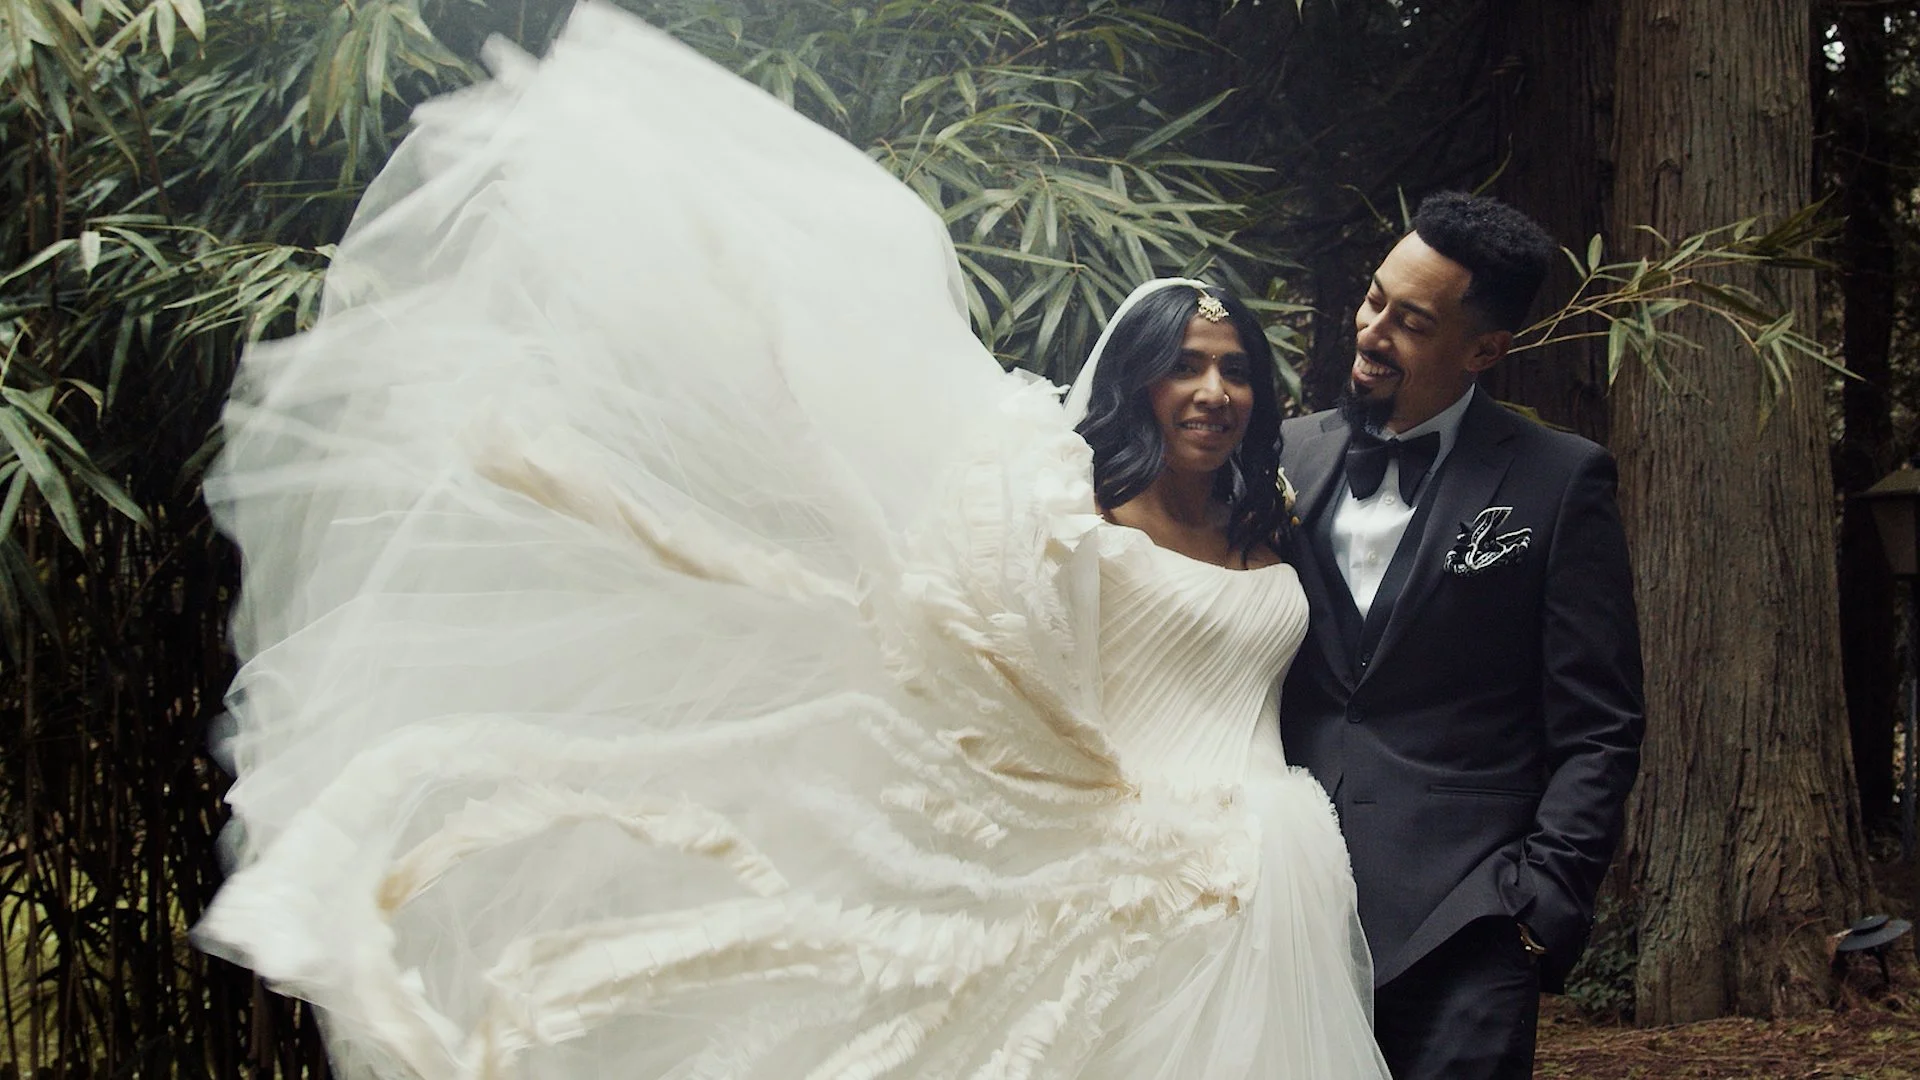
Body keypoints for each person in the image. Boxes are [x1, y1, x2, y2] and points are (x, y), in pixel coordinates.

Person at [192, 5, 1390, 1076]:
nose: (1213, 391)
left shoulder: (1273, 516)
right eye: (1185, 366)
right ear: (1138, 385)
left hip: (1285, 868)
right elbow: (973, 641)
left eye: (1235, 370)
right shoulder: (1066, 515)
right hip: (1132, 881)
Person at [1277, 191, 1646, 1079]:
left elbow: (1600, 727)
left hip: (1464, 926)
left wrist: (1537, 907)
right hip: (1281, 915)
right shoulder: (1281, 456)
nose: (1372, 332)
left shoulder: (1561, 481)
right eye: (1374, 300)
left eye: (1411, 322)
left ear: (1485, 350)